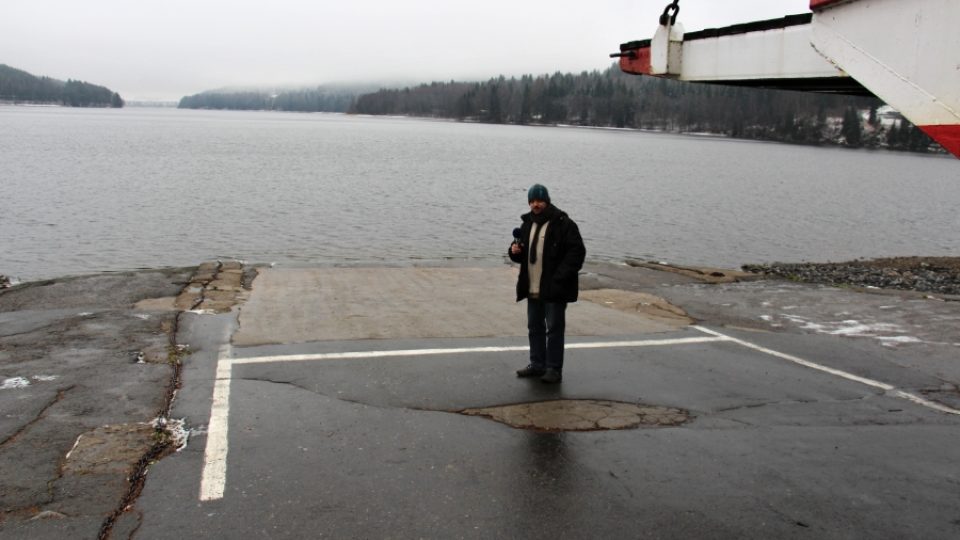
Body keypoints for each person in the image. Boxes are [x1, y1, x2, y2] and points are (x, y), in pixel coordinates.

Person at [508, 184, 586, 383]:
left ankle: (553, 369)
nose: (536, 205)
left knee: (554, 329)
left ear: (547, 201)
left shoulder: (563, 223)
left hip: (554, 288)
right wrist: (514, 251)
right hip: (532, 286)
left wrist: (559, 278)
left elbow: (577, 253)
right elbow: (524, 254)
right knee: (534, 327)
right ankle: (537, 364)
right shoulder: (527, 224)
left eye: (539, 201)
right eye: (532, 201)